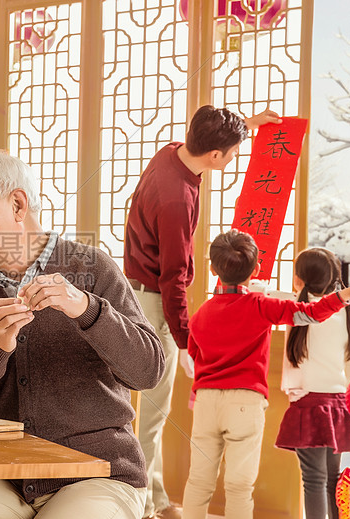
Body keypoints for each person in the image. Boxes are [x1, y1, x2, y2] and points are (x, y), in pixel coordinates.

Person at [0, 151, 165, 519]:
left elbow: (148, 371)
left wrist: (87, 309)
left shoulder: (93, 267)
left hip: (98, 472)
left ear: (18, 204)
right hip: (5, 475)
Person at [123, 105, 281, 519]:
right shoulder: (177, 201)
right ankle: (140, 504)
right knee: (153, 414)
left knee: (147, 412)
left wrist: (248, 125)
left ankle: (154, 499)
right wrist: (187, 342)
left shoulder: (171, 153)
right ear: (215, 155)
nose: (231, 159)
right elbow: (174, 279)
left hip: (138, 292)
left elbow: (208, 138)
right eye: (231, 153)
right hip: (155, 300)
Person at [182, 230, 350, 519]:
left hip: (206, 402)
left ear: (212, 269)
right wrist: (346, 294)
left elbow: (193, 360)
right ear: (256, 270)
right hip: (245, 404)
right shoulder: (261, 306)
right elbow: (311, 313)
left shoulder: (201, 313)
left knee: (198, 481)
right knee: (238, 486)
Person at [274, 249, 350, 519]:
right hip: (338, 404)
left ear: (299, 280)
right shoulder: (346, 313)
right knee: (332, 479)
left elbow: (260, 293)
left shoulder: (295, 306)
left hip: (308, 405)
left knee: (313, 480)